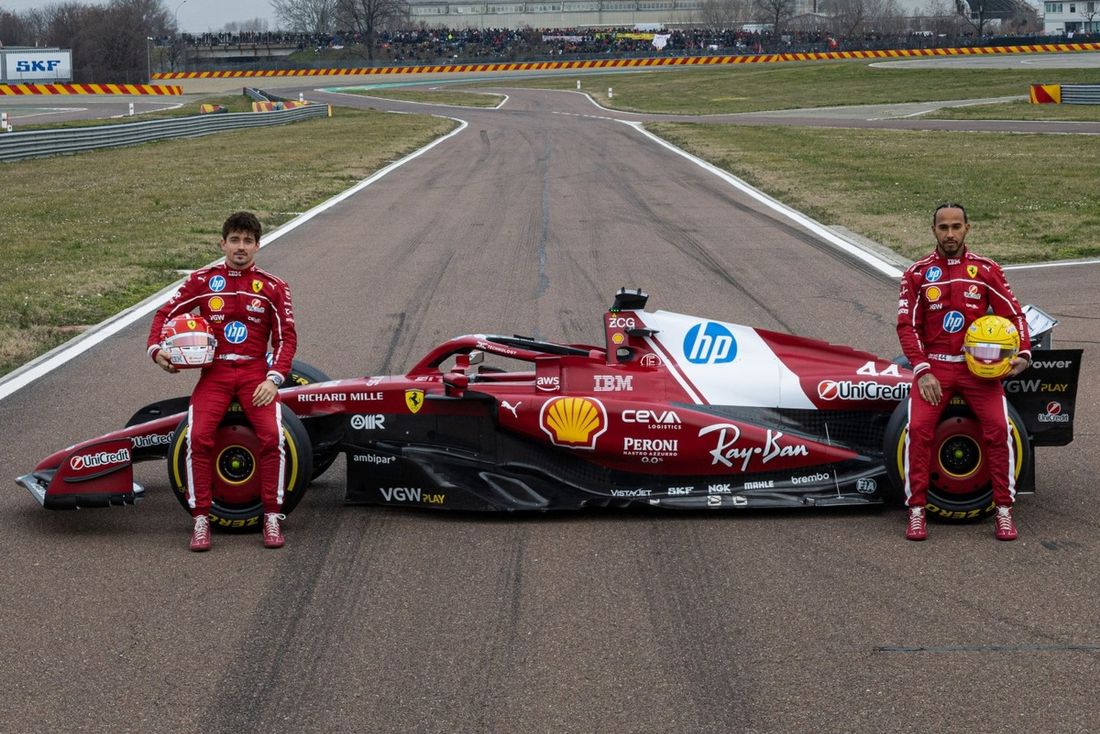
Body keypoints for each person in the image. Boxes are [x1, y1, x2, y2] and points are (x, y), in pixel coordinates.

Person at [148, 212, 297, 552]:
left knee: (273, 438)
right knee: (197, 438)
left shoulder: (274, 287)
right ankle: (201, 519)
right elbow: (162, 315)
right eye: (235, 240)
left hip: (255, 375)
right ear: (223, 243)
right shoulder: (202, 281)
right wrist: (156, 351)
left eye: (247, 241)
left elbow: (287, 339)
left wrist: (274, 379)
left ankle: (272, 516)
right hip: (213, 375)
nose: (240, 247)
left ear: (258, 246)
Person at [896, 203, 1031, 542]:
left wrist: (1024, 353)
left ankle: (1003, 511)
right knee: (919, 432)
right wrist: (922, 369)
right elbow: (906, 327)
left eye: (957, 226)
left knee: (999, 431)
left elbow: (1015, 316)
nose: (950, 234)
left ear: (968, 228)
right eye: (944, 227)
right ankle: (916, 512)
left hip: (979, 369)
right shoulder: (917, 272)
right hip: (935, 369)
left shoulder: (986, 269)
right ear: (934, 230)